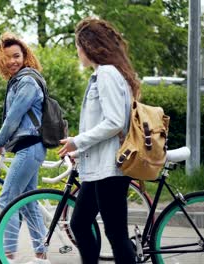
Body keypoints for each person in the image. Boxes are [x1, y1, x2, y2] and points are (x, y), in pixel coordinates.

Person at [58, 17, 139, 264]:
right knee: (80, 224)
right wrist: (79, 150)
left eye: (78, 47)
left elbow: (114, 122)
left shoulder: (107, 74)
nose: (78, 53)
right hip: (99, 169)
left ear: (89, 47)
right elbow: (100, 124)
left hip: (110, 170)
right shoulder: (107, 74)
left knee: (115, 234)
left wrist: (77, 142)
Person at [0, 33, 49, 264]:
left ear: (25, 55)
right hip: (27, 148)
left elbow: (13, 118)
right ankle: (41, 256)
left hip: (30, 147)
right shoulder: (19, 80)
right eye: (7, 57)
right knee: (28, 203)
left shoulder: (28, 81)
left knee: (8, 198)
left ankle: (6, 256)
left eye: (17, 56)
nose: (13, 61)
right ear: (1, 60)